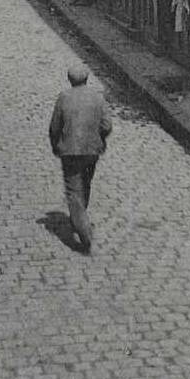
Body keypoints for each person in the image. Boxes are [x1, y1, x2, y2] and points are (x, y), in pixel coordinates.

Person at [48, 63, 112, 254]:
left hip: (70, 151)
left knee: (74, 190)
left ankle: (84, 232)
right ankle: (80, 216)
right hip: (92, 151)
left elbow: (54, 127)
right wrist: (97, 138)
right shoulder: (97, 98)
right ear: (86, 79)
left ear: (70, 80)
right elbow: (107, 125)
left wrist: (56, 145)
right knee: (85, 183)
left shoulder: (64, 97)